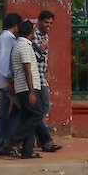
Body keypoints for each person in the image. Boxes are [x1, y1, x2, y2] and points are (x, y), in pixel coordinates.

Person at [10, 19, 45, 159]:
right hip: (27, 88)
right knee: (38, 114)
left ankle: (27, 151)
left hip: (23, 87)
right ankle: (15, 139)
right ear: (31, 32)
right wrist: (31, 92)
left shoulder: (22, 45)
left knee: (28, 117)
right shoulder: (24, 46)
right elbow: (27, 70)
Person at [0, 12, 23, 157]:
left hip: (3, 82)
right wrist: (11, 82)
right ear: (15, 26)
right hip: (7, 83)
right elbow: (4, 64)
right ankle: (6, 141)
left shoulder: (1, 38)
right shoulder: (8, 39)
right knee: (23, 110)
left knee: (5, 113)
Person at [32, 10, 63, 153]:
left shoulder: (45, 36)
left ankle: (40, 140)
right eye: (46, 22)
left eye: (50, 23)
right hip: (35, 78)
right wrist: (42, 49)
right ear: (39, 21)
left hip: (42, 77)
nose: (48, 25)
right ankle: (45, 141)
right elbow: (36, 55)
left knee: (42, 109)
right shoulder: (35, 35)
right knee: (39, 111)